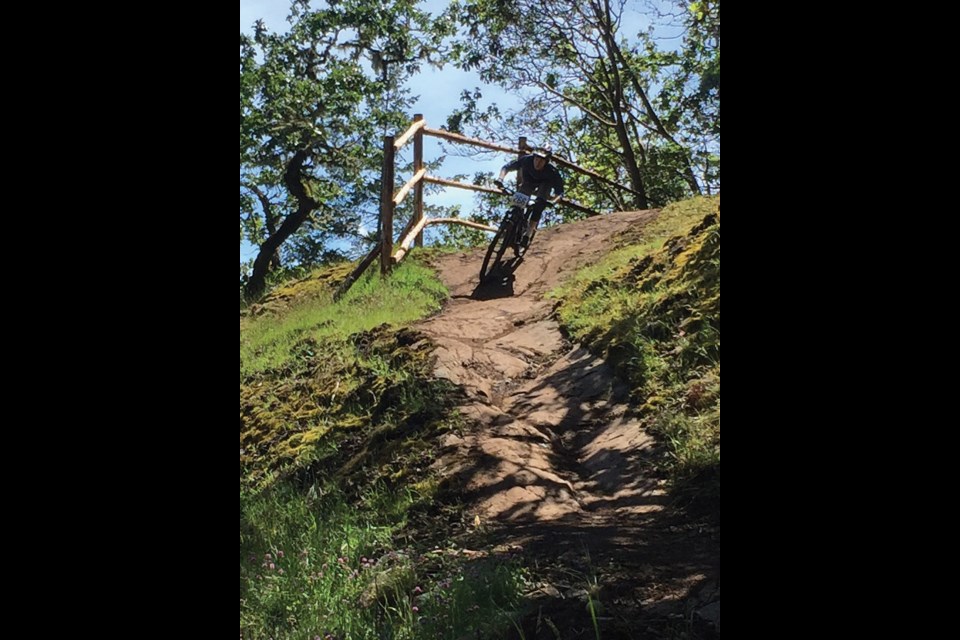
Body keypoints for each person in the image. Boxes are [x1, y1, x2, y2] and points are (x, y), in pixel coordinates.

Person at [494, 144, 564, 247]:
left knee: (539, 204)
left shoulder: (552, 172)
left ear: (547, 161)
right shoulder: (526, 160)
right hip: (528, 182)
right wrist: (500, 179)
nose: (537, 162)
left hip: (544, 185)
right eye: (536, 158)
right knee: (518, 202)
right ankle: (510, 227)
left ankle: (528, 234)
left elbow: (560, 192)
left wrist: (553, 201)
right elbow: (507, 167)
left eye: (541, 160)